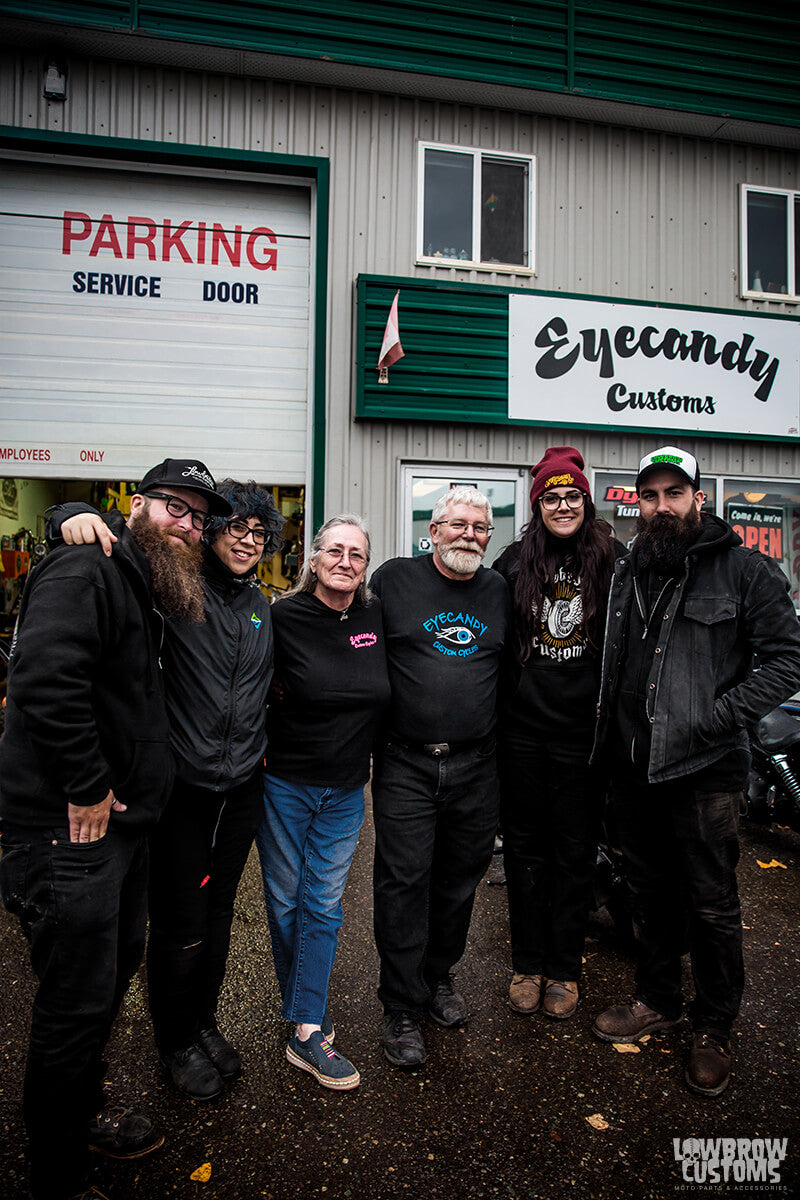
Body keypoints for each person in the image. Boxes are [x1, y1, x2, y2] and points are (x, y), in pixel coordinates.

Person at [0, 456, 229, 1200]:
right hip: (70, 832)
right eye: (175, 508)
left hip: (119, 833)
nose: (188, 526)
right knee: (74, 1003)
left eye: (199, 516)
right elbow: (41, 677)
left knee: (100, 985)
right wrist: (89, 782)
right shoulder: (86, 568)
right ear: (136, 505)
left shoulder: (140, 582)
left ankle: (82, 1116)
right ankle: (57, 1177)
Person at [51, 478, 284, 1103]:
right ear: (210, 533)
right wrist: (71, 513)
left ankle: (202, 1022)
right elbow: (129, 546)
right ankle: (174, 1041)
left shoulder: (262, 605)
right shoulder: (175, 587)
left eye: (260, 533)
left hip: (240, 791)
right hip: (183, 788)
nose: (248, 541)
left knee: (218, 914)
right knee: (179, 921)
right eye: (236, 529)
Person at [591, 445, 800, 1097]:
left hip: (705, 770)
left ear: (698, 499)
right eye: (648, 496)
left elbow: (788, 662)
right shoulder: (630, 570)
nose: (660, 507)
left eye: (673, 494)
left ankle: (714, 1025)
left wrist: (719, 717)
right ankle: (657, 997)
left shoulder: (745, 570)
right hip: (633, 767)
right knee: (649, 892)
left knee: (711, 904)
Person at [370, 486, 508, 1068]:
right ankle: (401, 1005)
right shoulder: (394, 579)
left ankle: (438, 978)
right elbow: (336, 616)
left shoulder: (498, 589)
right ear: (433, 531)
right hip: (405, 760)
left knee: (457, 881)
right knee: (404, 882)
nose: (470, 535)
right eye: (458, 525)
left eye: (480, 527)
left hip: (477, 764)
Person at [255, 514, 390, 1090]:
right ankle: (306, 1011)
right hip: (284, 783)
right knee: (287, 902)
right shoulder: (282, 617)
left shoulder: (376, 615)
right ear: (313, 559)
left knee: (323, 903)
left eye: (356, 554)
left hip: (345, 788)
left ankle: (305, 1025)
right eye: (334, 550)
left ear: (365, 567)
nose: (345, 561)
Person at [492, 447, 620, 1021]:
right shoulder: (515, 563)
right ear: (537, 503)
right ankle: (527, 963)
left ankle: (565, 969)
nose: (562, 505)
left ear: (586, 502)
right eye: (551, 496)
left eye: (572, 496)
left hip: (581, 738)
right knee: (524, 852)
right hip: (522, 735)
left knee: (572, 853)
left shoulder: (611, 560)